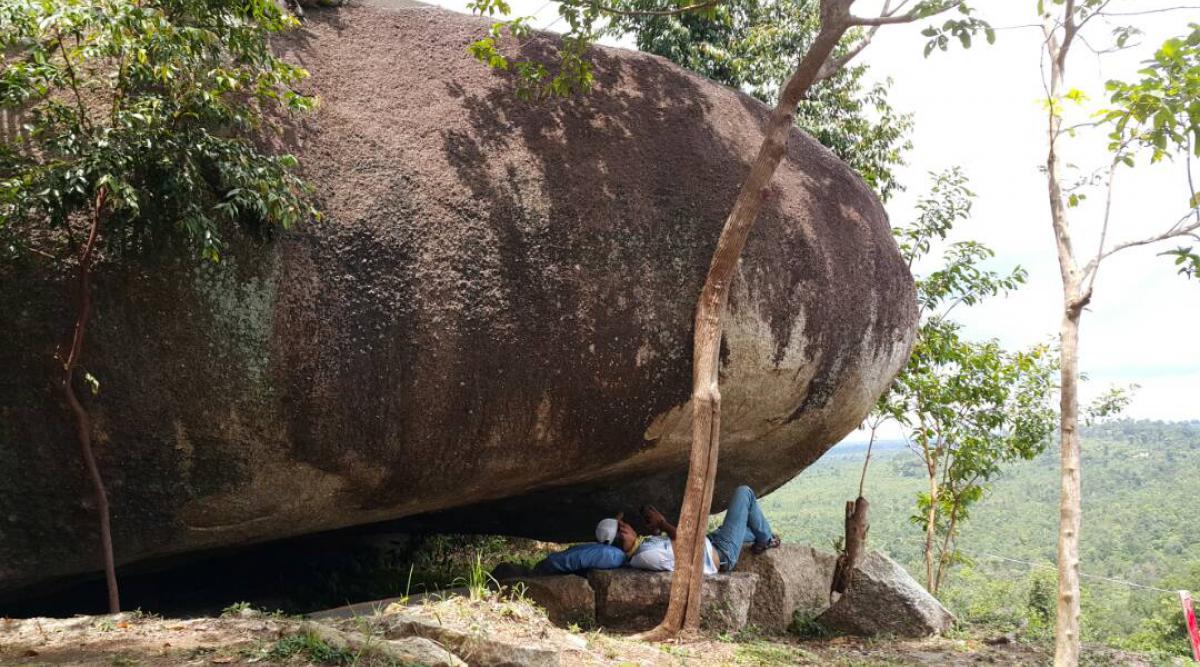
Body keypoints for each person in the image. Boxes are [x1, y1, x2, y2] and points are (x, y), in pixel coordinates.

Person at [603, 485, 780, 574]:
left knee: (748, 525)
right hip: (720, 552)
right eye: (621, 527)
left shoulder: (640, 549)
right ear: (622, 535)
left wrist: (656, 529)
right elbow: (683, 545)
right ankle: (766, 540)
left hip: (711, 541)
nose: (626, 525)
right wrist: (663, 523)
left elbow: (666, 545)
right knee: (744, 492)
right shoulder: (644, 557)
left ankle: (763, 536)